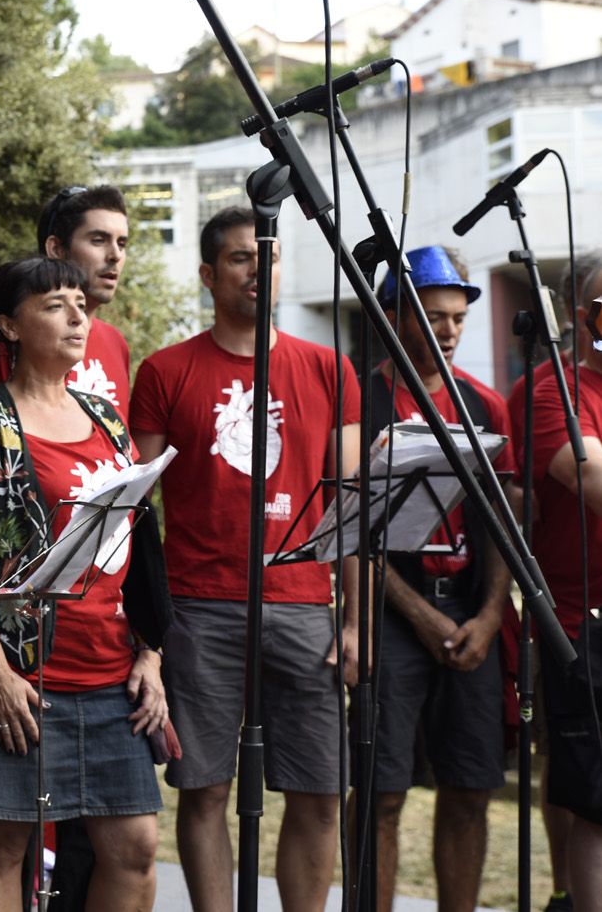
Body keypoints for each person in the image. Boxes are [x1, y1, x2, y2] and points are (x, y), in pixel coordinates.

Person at [127, 206, 361, 912]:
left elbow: (349, 504)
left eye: (269, 256)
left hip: (302, 604)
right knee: (205, 790)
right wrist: (149, 635)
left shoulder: (328, 367)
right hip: (199, 607)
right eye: (239, 257)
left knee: (321, 790)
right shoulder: (165, 371)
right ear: (207, 274)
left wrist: (355, 622)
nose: (258, 268)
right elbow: (138, 517)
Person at [0, 256, 164, 912]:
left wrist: (151, 651)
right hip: (17, 677)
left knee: (135, 846)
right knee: (4, 849)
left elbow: (139, 545)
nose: (76, 315)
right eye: (54, 303)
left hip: (107, 673)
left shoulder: (108, 419)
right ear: (9, 324)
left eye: (80, 303)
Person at [358, 245, 514, 912]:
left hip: (471, 615)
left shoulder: (484, 405)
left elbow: (507, 523)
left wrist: (489, 612)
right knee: (381, 790)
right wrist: (418, 615)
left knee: (471, 785)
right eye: (435, 317)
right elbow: (350, 531)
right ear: (395, 316)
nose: (451, 331)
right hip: (391, 612)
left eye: (458, 318)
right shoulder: (361, 398)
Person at [528, 250, 602, 912]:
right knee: (597, 803)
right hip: (587, 625)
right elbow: (590, 478)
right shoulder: (556, 390)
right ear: (582, 318)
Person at [0, 185, 131, 405]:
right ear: (56, 249)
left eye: (122, 243)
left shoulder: (116, 343)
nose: (115, 255)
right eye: (98, 240)